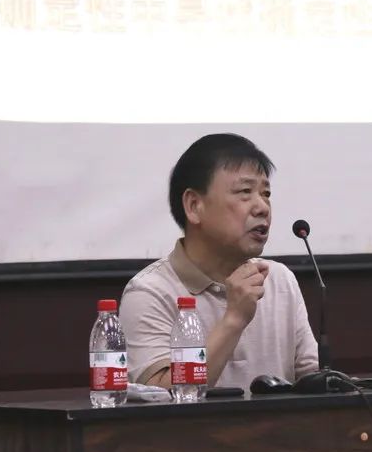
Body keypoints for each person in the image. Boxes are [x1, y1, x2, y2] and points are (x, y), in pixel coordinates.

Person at [119, 133, 319, 390]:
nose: (262, 207)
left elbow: (315, 383)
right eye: (245, 192)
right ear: (194, 206)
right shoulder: (150, 293)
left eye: (266, 193)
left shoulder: (279, 280)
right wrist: (233, 319)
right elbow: (163, 398)